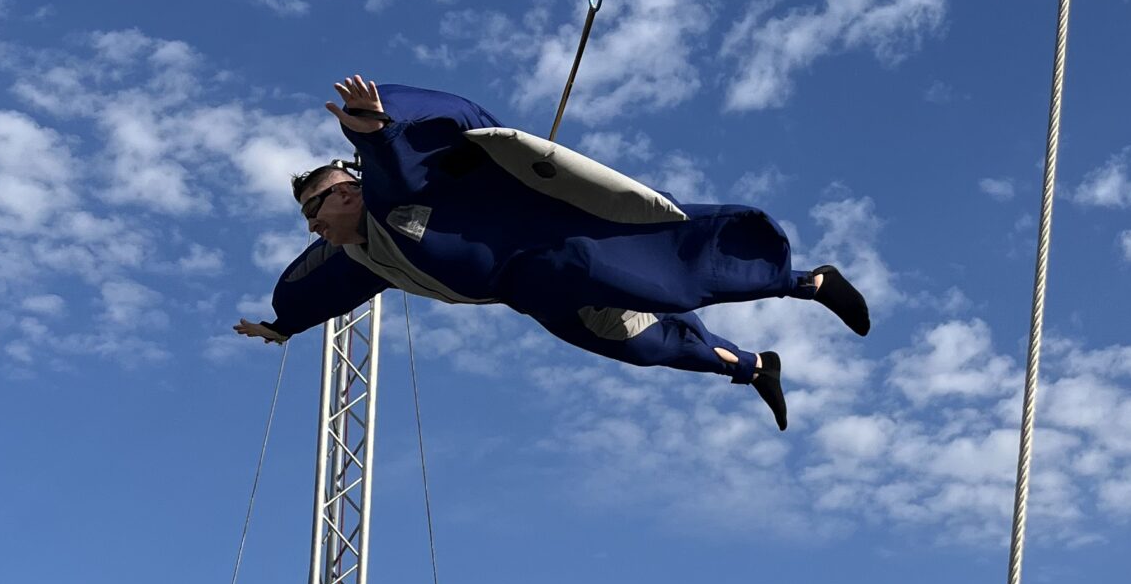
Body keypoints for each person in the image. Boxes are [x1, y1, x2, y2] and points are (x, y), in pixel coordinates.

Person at [235, 78, 871, 435]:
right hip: (539, 298)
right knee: (644, 344)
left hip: (558, 252)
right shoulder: (363, 260)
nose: (313, 225)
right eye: (307, 220)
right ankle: (755, 366)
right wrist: (282, 324)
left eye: (316, 207)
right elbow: (314, 288)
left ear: (348, 190)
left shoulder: (396, 188)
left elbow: (432, 129)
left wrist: (374, 125)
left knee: (669, 276)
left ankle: (807, 282)